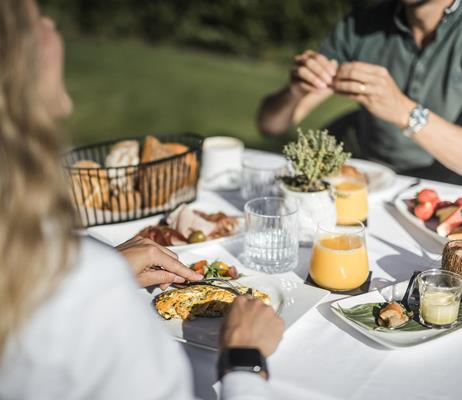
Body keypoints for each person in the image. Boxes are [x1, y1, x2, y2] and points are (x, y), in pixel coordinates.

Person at [0, 1, 284, 399]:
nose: (51, 24)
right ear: (16, 58)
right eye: (35, 18)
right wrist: (244, 359)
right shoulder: (84, 287)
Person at [258, 0, 462, 184]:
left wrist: (404, 111)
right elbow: (270, 125)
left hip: (444, 190)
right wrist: (296, 90)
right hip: (369, 179)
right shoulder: (361, 25)